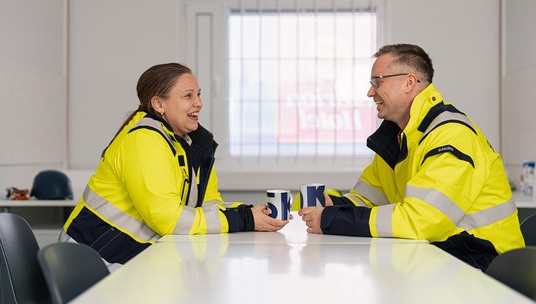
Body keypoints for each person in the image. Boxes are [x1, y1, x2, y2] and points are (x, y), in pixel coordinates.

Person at [298, 44, 524, 270]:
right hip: (443, 252)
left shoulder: (451, 136)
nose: (370, 92)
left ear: (409, 82)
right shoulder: (399, 137)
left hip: (483, 262)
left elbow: (421, 221)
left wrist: (331, 219)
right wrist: (333, 204)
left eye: (377, 81)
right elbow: (368, 200)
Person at [61, 63, 289, 270]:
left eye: (198, 94)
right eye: (188, 96)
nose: (198, 103)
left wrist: (246, 213)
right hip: (93, 257)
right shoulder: (145, 140)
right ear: (159, 103)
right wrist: (244, 219)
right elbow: (167, 218)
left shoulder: (187, 143)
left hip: (126, 253)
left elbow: (208, 204)